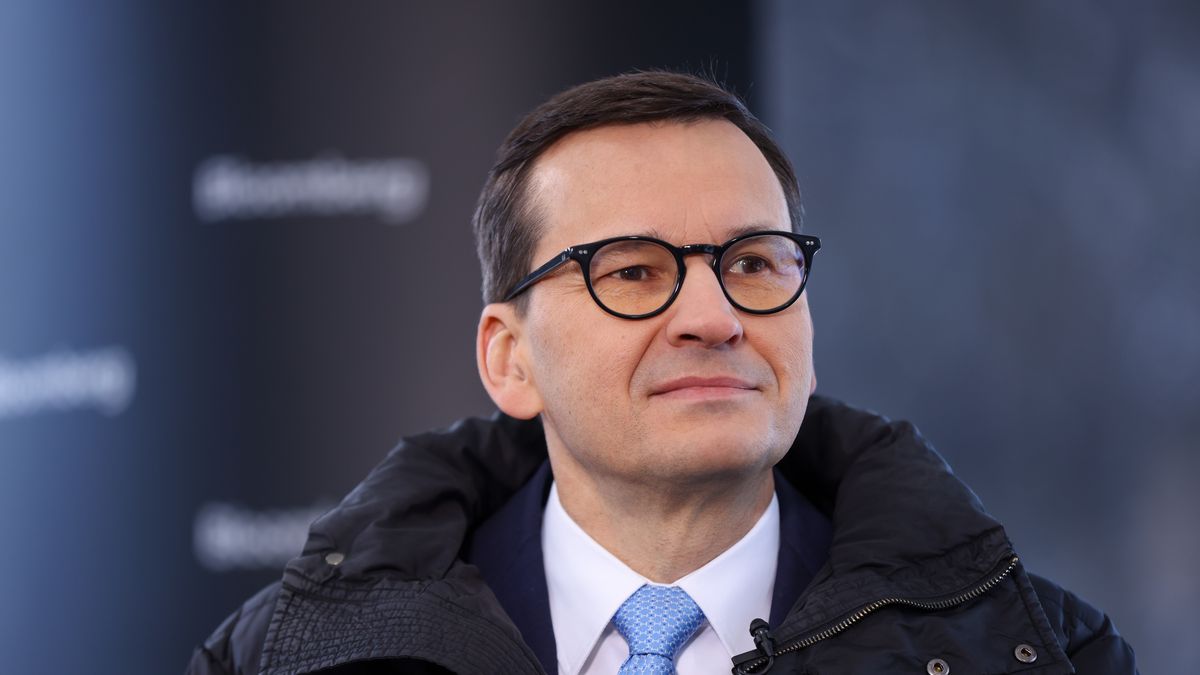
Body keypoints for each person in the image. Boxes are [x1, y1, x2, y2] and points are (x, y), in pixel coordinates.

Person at [187, 71, 1137, 675]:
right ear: (508, 359)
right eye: (634, 271)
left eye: (755, 262)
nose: (715, 317)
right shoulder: (275, 660)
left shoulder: (1045, 651)